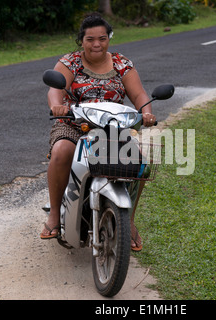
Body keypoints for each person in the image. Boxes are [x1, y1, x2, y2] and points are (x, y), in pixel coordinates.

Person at [40, 13, 156, 252]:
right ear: (81, 40)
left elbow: (139, 95)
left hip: (113, 128)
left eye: (102, 38)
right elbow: (55, 88)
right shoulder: (70, 62)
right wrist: (57, 105)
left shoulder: (122, 64)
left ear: (108, 39)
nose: (96, 44)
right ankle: (54, 215)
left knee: (140, 162)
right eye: (90, 39)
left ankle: (129, 220)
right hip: (74, 124)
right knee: (62, 151)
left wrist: (146, 111)